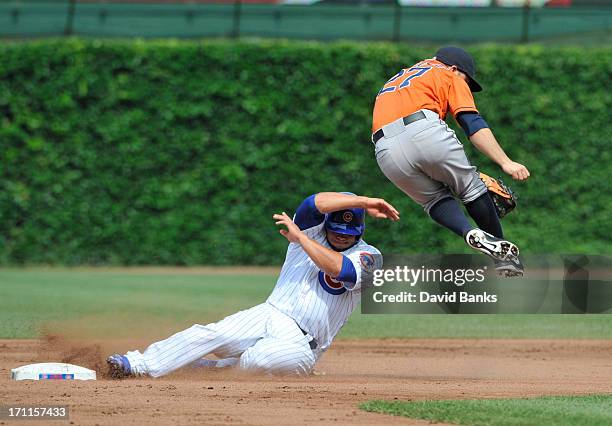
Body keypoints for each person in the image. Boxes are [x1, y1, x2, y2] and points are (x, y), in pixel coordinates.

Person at [107, 192, 399, 378]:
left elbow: (342, 270)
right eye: (337, 230)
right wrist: (363, 201)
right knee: (209, 334)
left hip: (303, 345)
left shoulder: (371, 257)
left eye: (349, 233)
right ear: (327, 225)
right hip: (269, 314)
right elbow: (313, 203)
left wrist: (302, 240)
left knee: (259, 359)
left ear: (360, 232)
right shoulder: (314, 230)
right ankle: (138, 364)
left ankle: (215, 370)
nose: (342, 237)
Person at [371, 46, 529, 276]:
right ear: (455, 68)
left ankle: (468, 232)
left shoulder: (397, 79)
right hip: (424, 129)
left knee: (434, 200)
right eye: (467, 79)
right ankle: (505, 259)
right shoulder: (448, 73)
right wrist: (505, 162)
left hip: (384, 150)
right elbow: (471, 123)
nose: (467, 85)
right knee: (472, 188)